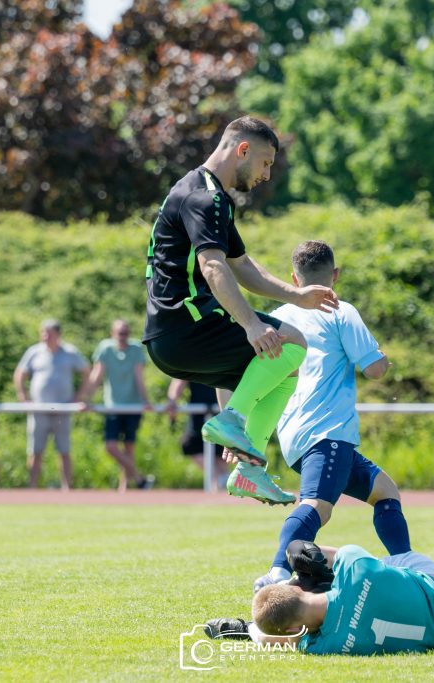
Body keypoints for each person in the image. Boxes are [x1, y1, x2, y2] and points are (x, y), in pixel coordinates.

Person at [142, 115, 339, 505]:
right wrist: (250, 324)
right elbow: (213, 266)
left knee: (284, 367)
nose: (266, 174)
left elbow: (242, 265)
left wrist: (297, 296)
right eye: (265, 162)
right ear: (243, 150)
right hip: (185, 326)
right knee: (293, 343)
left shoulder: (205, 192)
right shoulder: (206, 197)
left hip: (173, 337)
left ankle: (248, 470)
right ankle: (231, 422)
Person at [247, 241, 406, 593]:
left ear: (294, 279)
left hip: (293, 435)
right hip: (328, 431)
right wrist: (382, 358)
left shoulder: (278, 316)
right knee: (318, 506)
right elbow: (374, 370)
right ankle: (276, 572)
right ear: (335, 275)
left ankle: (408, 568)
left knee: (385, 491)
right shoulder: (339, 310)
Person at [249, 541, 434, 655]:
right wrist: (294, 549)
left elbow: (283, 640)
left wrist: (257, 630)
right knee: (378, 566)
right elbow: (314, 552)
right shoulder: (353, 565)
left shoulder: (325, 647)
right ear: (298, 590)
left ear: (294, 629)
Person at [78, 320, 155, 492]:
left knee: (129, 447)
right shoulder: (105, 349)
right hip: (113, 406)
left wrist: (145, 400)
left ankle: (124, 486)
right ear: (112, 333)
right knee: (111, 447)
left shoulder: (135, 349)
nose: (123, 337)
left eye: (125, 333)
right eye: (120, 333)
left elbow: (139, 377)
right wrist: (86, 399)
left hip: (133, 406)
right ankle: (139, 478)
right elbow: (96, 375)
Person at [14, 319, 90, 490]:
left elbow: (86, 372)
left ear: (58, 334)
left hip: (62, 410)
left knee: (64, 451)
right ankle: (32, 487)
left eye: (49, 333)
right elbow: (20, 374)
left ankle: (67, 488)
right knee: (35, 451)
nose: (45, 337)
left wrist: (79, 397)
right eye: (43, 333)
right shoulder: (34, 352)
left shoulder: (70, 352)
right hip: (39, 410)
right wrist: (23, 396)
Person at [165, 378, 226, 480]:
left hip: (209, 413)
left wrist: (172, 400)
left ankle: (221, 479)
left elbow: (180, 379)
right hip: (213, 412)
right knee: (216, 454)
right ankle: (222, 479)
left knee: (215, 453)